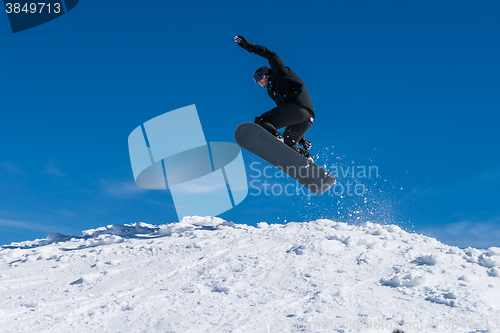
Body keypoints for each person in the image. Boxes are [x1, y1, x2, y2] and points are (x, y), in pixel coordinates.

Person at [234, 35, 315, 161]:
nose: (258, 82)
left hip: (299, 108)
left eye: (259, 77)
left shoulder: (279, 73)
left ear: (267, 74)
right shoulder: (272, 92)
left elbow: (272, 56)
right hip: (306, 117)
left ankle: (276, 137)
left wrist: (250, 47)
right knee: (289, 146)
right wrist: (301, 137)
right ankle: (307, 159)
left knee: (260, 121)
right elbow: (284, 113)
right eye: (256, 81)